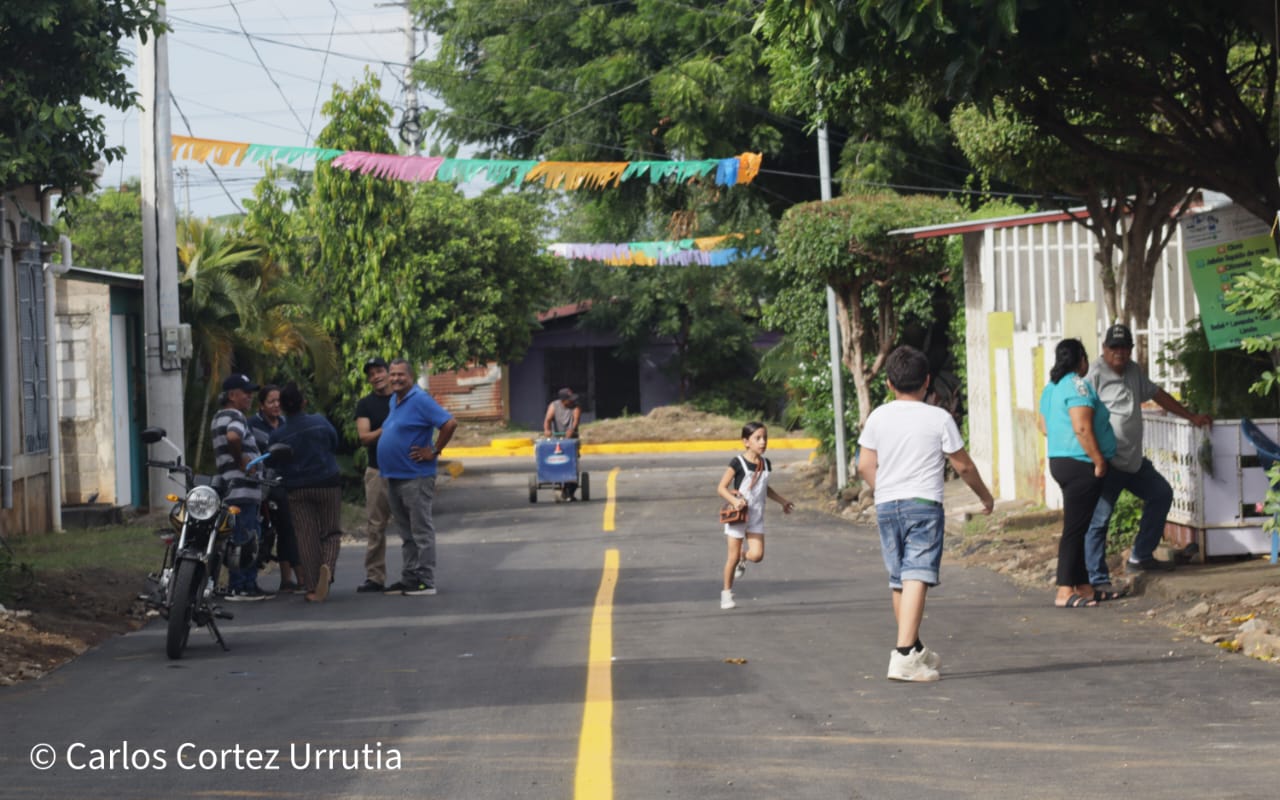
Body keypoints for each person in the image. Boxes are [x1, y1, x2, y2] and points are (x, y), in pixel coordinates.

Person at [858, 345, 994, 682]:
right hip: (924, 504)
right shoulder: (939, 417)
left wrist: (885, 489)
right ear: (928, 382)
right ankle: (903, 655)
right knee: (917, 573)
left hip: (887, 504)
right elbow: (962, 465)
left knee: (900, 577)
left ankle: (914, 648)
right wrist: (985, 497)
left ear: (888, 383)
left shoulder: (878, 416)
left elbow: (864, 465)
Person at [1085, 323, 1213, 578]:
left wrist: (1190, 416)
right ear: (1104, 348)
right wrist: (1094, 456)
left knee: (1161, 493)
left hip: (1133, 460)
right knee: (1100, 520)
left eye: (1124, 347)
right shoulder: (1094, 374)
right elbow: (1082, 416)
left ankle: (1140, 556)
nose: (1119, 352)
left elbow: (1157, 394)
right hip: (1108, 461)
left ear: (1131, 349)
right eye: (1114, 347)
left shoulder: (1133, 370)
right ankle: (1095, 579)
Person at [1039, 338, 1118, 609]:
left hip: (1060, 461)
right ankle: (1064, 589)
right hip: (1081, 463)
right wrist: (1098, 460)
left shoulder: (1052, 388)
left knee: (1080, 525)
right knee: (1074, 529)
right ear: (1081, 359)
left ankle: (1084, 587)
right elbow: (1082, 428)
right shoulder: (1078, 385)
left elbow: (1044, 426)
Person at [378, 358, 458, 596]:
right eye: (392, 375)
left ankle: (425, 580)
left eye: (400, 375)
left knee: (421, 530)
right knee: (406, 532)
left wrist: (433, 450)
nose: (395, 379)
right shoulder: (395, 399)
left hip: (416, 476)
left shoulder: (420, 399)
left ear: (411, 377)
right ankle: (410, 577)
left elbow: (449, 423)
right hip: (395, 475)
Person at [269, 382, 342, 603]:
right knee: (330, 532)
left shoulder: (278, 435)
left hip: (296, 489)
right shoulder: (319, 421)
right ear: (304, 402)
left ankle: (312, 586)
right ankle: (326, 569)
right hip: (327, 483)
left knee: (306, 536)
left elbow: (274, 462)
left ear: (281, 407)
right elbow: (334, 443)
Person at [715, 421, 795, 610]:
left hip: (756, 516)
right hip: (738, 516)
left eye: (765, 438)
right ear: (746, 442)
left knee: (757, 555)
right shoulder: (738, 462)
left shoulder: (766, 464)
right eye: (757, 438)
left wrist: (782, 501)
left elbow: (764, 488)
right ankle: (726, 594)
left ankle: (745, 556)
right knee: (731, 558)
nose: (762, 442)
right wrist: (735, 502)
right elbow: (721, 487)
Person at [211, 373, 274, 601]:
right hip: (243, 490)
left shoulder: (219, 417)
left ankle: (243, 583)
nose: (249, 396)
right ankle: (242, 586)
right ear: (232, 395)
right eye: (245, 392)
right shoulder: (235, 416)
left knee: (239, 535)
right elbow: (233, 437)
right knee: (246, 537)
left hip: (233, 488)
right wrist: (242, 461)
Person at [248, 384, 302, 594]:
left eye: (279, 401)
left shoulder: (286, 423)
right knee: (284, 528)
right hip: (264, 485)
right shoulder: (252, 425)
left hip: (287, 482)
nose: (276, 405)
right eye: (271, 401)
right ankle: (296, 577)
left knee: (290, 530)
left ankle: (290, 579)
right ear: (261, 405)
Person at [354, 357, 393, 593]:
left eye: (379, 371)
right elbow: (364, 437)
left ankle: (416, 574)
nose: (376, 376)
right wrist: (387, 427)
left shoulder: (403, 399)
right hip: (377, 471)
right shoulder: (365, 404)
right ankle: (375, 577)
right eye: (371, 374)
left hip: (404, 471)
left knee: (411, 525)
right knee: (376, 526)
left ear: (390, 373)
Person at [543, 387, 582, 500]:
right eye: (569, 399)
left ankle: (570, 492)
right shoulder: (554, 406)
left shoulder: (576, 407)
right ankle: (559, 486)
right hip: (557, 440)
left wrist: (572, 430)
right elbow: (547, 420)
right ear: (563, 400)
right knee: (557, 462)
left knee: (573, 465)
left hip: (571, 440)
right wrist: (547, 430)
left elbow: (576, 420)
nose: (572, 401)